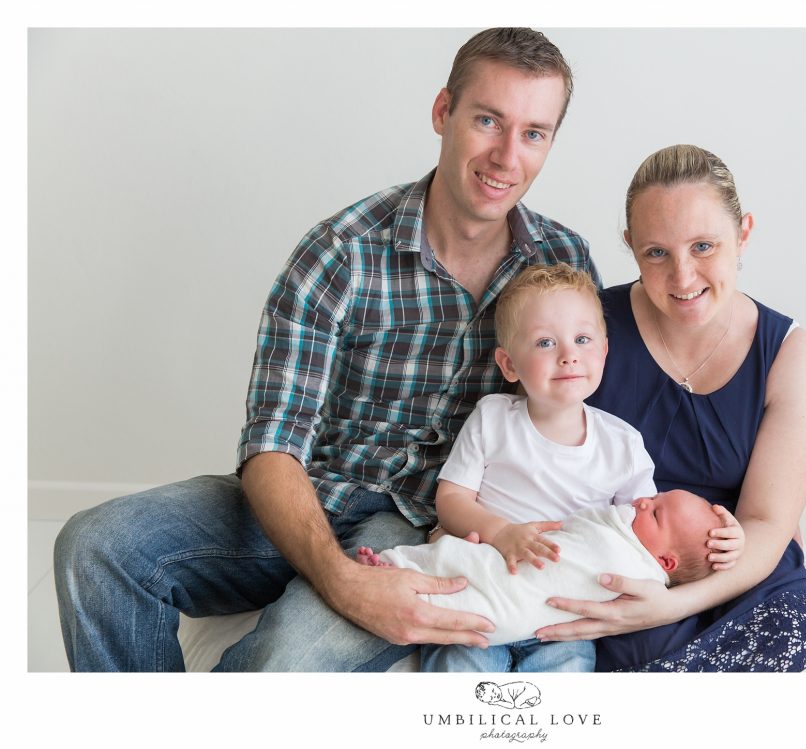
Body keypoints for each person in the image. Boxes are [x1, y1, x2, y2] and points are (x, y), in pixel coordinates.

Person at [53, 27, 599, 672]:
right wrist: (340, 580)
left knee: (282, 669)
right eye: (488, 120)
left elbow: (587, 411)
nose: (508, 156)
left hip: (425, 527)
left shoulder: (562, 264)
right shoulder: (340, 250)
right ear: (442, 112)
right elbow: (273, 443)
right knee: (95, 545)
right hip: (312, 489)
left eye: (534, 133)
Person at [535, 144, 806, 672]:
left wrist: (670, 605)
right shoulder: (585, 331)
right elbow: (534, 448)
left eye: (704, 246)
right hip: (610, 557)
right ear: (630, 246)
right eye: (657, 253)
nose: (683, 277)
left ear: (743, 232)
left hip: (737, 567)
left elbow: (768, 523)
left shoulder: (793, 358)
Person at [412, 263, 745, 671]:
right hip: (485, 584)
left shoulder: (622, 444)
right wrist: (501, 533)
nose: (569, 355)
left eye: (582, 339)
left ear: (603, 351)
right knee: (458, 660)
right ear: (509, 364)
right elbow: (451, 499)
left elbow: (652, 531)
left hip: (561, 611)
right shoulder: (493, 418)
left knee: (568, 668)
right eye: (545, 343)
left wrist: (723, 540)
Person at [355, 490, 731, 647]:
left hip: (521, 602)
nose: (643, 500)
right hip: (514, 575)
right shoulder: (637, 531)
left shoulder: (637, 571)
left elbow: (590, 527)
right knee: (467, 562)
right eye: (656, 496)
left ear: (665, 562)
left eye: (656, 511)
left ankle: (394, 569)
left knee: (469, 576)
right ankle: (395, 570)